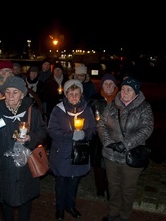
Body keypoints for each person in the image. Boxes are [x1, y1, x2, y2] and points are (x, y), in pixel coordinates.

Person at [0, 76, 48, 221]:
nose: (10, 96)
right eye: (8, 92)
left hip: (25, 167)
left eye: (15, 92)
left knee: (25, 201)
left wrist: (30, 138)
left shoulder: (30, 111)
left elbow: (42, 131)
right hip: (3, 166)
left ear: (22, 94)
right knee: (6, 203)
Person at [98, 77, 154, 221]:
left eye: (129, 90)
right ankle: (113, 211)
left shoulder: (144, 107)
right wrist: (109, 142)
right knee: (113, 186)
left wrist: (125, 144)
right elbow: (102, 125)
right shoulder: (112, 105)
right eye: (123, 89)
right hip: (111, 154)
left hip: (131, 154)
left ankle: (124, 214)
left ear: (136, 92)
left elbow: (147, 128)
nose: (124, 92)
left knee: (128, 188)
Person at [48, 79, 97, 220]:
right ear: (66, 94)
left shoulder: (86, 109)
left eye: (77, 94)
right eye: (71, 94)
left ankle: (70, 206)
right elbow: (52, 130)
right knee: (61, 183)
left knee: (74, 182)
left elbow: (93, 129)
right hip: (62, 153)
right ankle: (59, 209)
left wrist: (84, 134)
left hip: (79, 153)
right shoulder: (58, 110)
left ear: (81, 94)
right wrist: (71, 135)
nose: (74, 97)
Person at [87, 73, 119, 198]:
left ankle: (111, 189)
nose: (109, 86)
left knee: (112, 166)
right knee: (99, 166)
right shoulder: (94, 99)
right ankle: (100, 189)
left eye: (111, 83)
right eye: (106, 84)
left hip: (115, 138)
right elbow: (88, 118)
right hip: (97, 139)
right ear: (102, 86)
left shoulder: (121, 99)